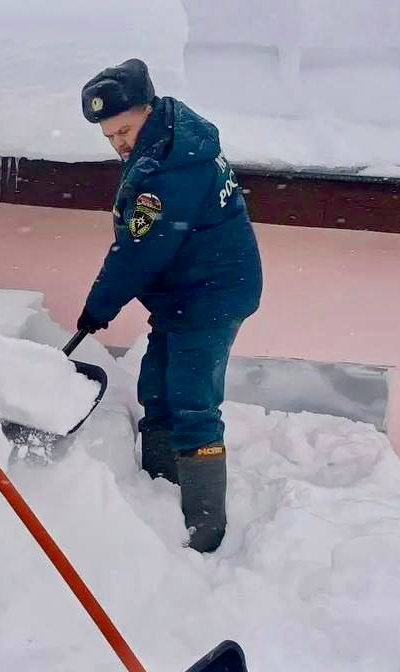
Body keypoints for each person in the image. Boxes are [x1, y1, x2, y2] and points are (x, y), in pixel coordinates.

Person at [76, 58, 263, 553]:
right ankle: (159, 489)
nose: (118, 143)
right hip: (186, 293)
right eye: (109, 135)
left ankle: (202, 533)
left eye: (124, 129)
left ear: (148, 109)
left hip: (212, 295)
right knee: (156, 388)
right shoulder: (167, 139)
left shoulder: (170, 168)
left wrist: (98, 308)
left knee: (191, 401)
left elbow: (139, 250)